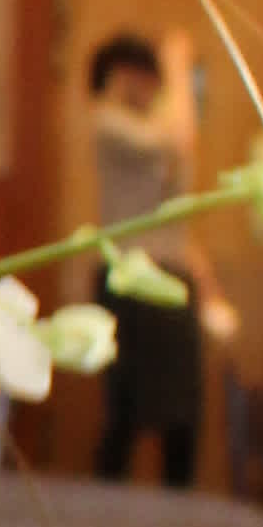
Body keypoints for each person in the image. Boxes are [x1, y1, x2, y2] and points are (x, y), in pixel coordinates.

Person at [85, 26, 232, 488]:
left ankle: (179, 509)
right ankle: (107, 510)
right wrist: (178, 67)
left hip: (170, 276)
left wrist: (209, 291)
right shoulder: (107, 120)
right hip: (130, 279)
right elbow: (178, 138)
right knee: (127, 413)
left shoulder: (155, 121)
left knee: (183, 416)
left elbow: (177, 224)